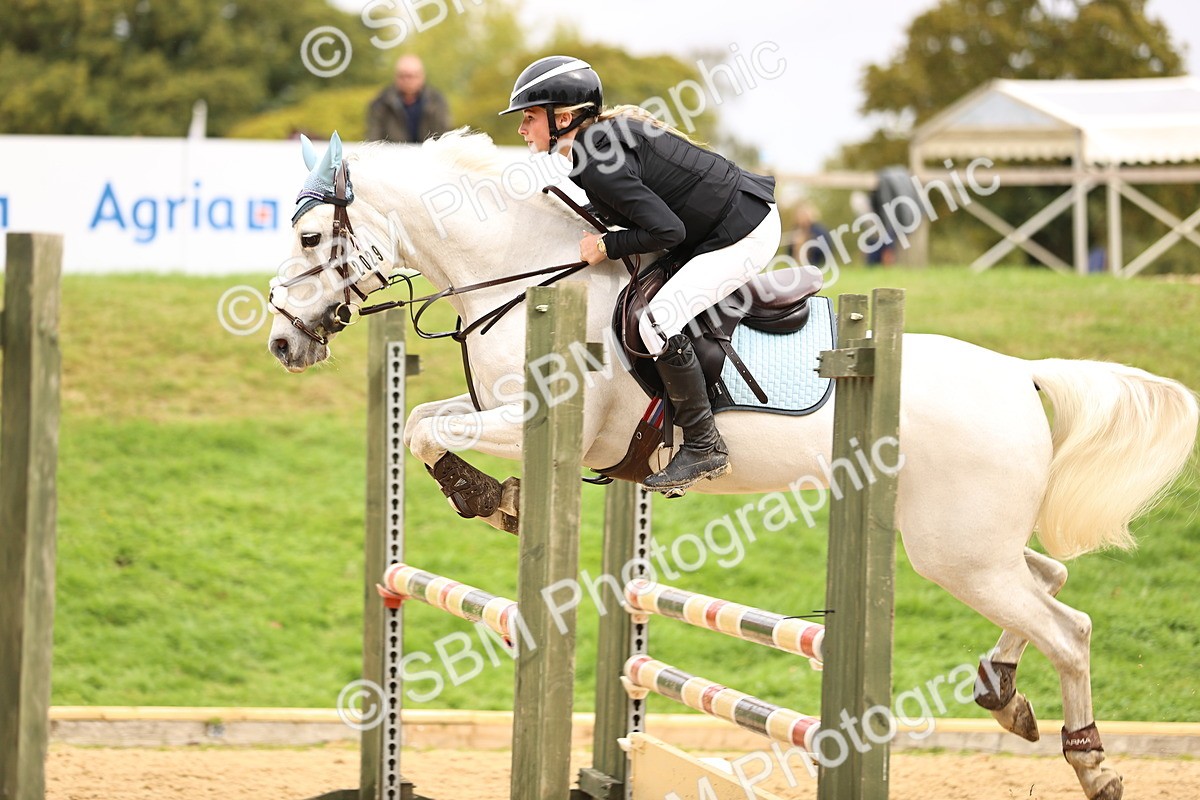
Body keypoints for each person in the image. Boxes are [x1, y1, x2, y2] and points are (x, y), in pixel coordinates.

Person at [499, 56, 781, 491]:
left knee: (656, 319)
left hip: (742, 233)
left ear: (565, 117)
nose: (522, 128)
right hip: (723, 220)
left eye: (530, 116)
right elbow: (630, 209)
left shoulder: (595, 158)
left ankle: (705, 447)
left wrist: (607, 246)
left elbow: (668, 230)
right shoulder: (597, 143)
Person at [366, 54, 452, 143]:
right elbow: (374, 138)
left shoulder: (436, 101)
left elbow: (443, 136)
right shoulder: (381, 103)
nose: (408, 80)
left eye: (412, 76)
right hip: (392, 154)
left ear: (422, 76)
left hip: (428, 154)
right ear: (396, 77)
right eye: (403, 76)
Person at [788, 201, 831, 267]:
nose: (802, 217)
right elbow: (789, 252)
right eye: (800, 215)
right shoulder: (795, 229)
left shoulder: (819, 230)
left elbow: (826, 249)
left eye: (804, 214)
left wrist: (807, 240)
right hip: (797, 264)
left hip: (815, 264)